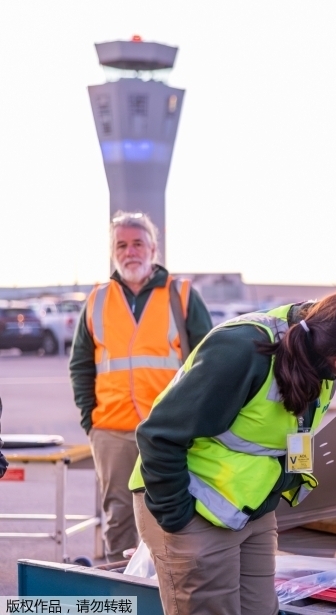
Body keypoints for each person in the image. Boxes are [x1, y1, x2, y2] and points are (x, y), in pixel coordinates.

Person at [129, 288, 336, 615]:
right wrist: (177, 518)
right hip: (195, 507)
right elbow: (160, 435)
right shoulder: (242, 351)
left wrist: (275, 493)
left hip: (250, 508)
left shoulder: (320, 353)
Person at [69, 211, 212, 562]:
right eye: (121, 244)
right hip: (111, 430)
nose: (130, 251)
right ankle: (122, 586)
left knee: (172, 512)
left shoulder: (181, 294)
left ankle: (169, 586)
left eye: (137, 243)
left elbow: (210, 363)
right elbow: (81, 364)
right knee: (118, 515)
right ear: (113, 251)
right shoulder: (97, 299)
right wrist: (92, 421)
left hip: (168, 429)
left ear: (153, 248)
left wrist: (195, 420)